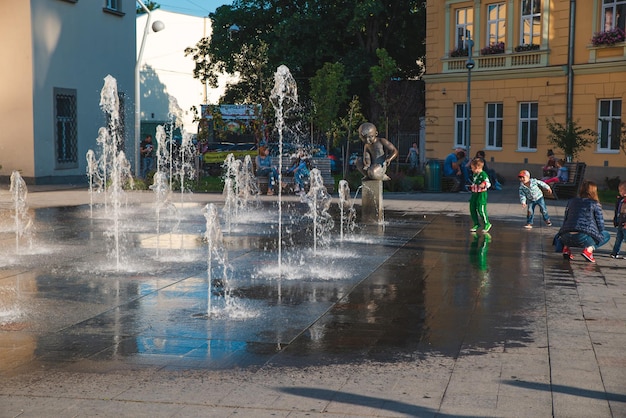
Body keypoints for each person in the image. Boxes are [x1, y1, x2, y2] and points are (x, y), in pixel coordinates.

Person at [555, 180, 611, 263]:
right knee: (606, 235)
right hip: (582, 237)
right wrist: (597, 233)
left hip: (565, 236)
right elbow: (600, 224)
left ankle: (566, 248)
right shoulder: (595, 204)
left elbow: (566, 219)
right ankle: (588, 250)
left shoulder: (572, 201)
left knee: (570, 229)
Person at [468, 158, 492, 233]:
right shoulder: (475, 174)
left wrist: (483, 184)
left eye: (472, 168)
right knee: (472, 208)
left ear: (477, 167)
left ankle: (487, 223)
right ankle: (476, 223)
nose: (471, 169)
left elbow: (488, 183)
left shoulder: (483, 175)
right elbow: (475, 182)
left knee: (481, 209)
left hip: (481, 194)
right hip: (475, 193)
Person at [610, 180, 626, 259]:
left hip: (624, 223)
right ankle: (615, 252)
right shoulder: (621, 200)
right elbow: (617, 211)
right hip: (620, 223)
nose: (620, 192)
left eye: (621, 190)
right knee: (618, 239)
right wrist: (615, 220)